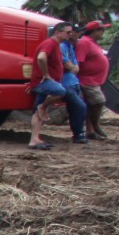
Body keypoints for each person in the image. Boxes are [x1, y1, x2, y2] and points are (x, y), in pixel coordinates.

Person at [27, 21, 78, 150]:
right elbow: (41, 58)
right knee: (61, 91)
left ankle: (34, 139)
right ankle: (43, 107)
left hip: (46, 82)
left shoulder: (56, 45)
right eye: (67, 32)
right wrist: (46, 74)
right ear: (57, 32)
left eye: (71, 32)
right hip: (43, 82)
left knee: (37, 113)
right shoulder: (50, 44)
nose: (70, 35)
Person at [76, 20, 111, 140]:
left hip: (94, 80)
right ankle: (96, 126)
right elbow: (78, 62)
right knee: (99, 101)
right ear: (95, 31)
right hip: (87, 80)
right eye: (102, 30)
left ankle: (90, 131)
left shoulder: (93, 43)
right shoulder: (84, 43)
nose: (103, 32)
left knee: (91, 105)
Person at [59, 30, 88, 144]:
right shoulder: (62, 46)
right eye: (74, 32)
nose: (78, 34)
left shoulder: (69, 46)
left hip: (73, 81)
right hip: (66, 83)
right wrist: (72, 67)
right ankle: (78, 134)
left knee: (75, 107)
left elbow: (75, 67)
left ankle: (78, 132)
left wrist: (73, 68)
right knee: (80, 107)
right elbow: (68, 65)